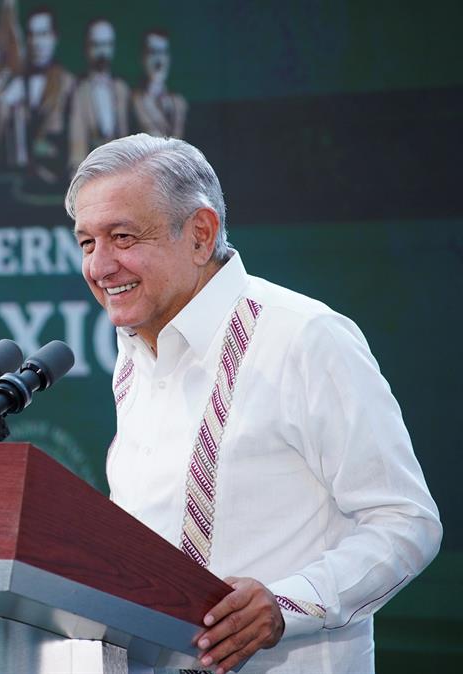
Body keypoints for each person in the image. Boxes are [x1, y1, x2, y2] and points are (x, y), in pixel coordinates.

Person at [65, 134, 441, 673]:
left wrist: (287, 604)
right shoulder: (134, 356)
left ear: (200, 235)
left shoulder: (306, 337)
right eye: (86, 243)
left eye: (122, 237)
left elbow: (407, 522)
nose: (100, 267)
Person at [68, 19, 130, 173]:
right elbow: (77, 143)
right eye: (96, 45)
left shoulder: (122, 89)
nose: (102, 52)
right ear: (86, 48)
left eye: (107, 45)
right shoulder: (78, 91)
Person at [23, 6, 76, 184]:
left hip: (57, 184)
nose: (36, 42)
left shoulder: (69, 84)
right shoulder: (15, 84)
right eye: (32, 35)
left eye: (43, 34)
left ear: (55, 37)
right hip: (17, 184)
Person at [131, 30, 188, 138]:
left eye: (163, 52)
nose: (159, 60)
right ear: (142, 57)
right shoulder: (133, 100)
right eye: (153, 52)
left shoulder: (179, 102)